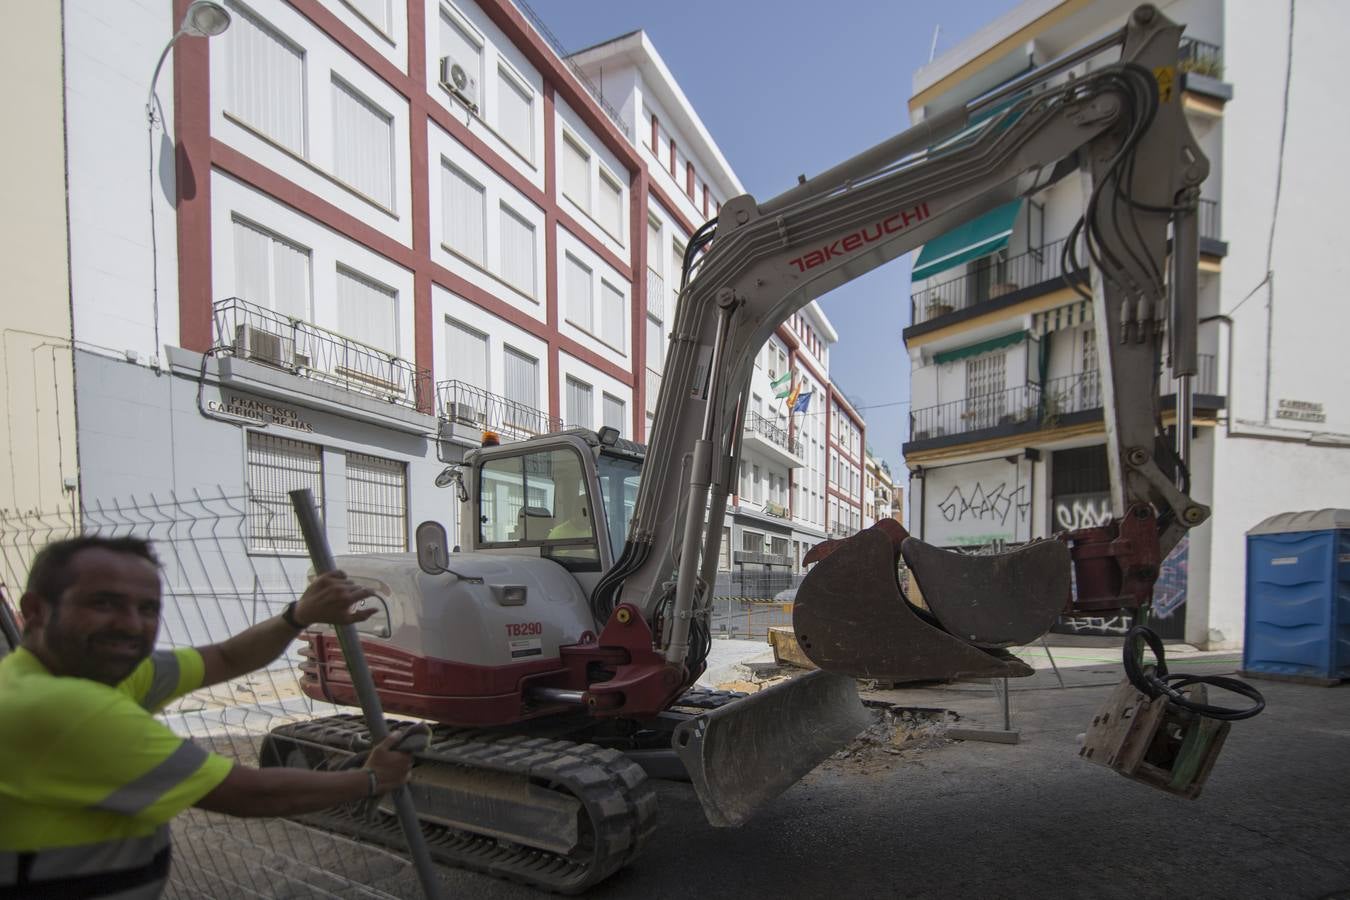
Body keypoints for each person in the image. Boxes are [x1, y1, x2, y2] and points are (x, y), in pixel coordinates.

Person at [0, 535, 421, 898]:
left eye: (147, 608)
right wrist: (371, 778)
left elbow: (227, 656)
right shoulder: (63, 708)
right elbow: (253, 794)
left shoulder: (53, 673)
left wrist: (300, 615)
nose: (130, 624)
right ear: (34, 610)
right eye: (103, 603)